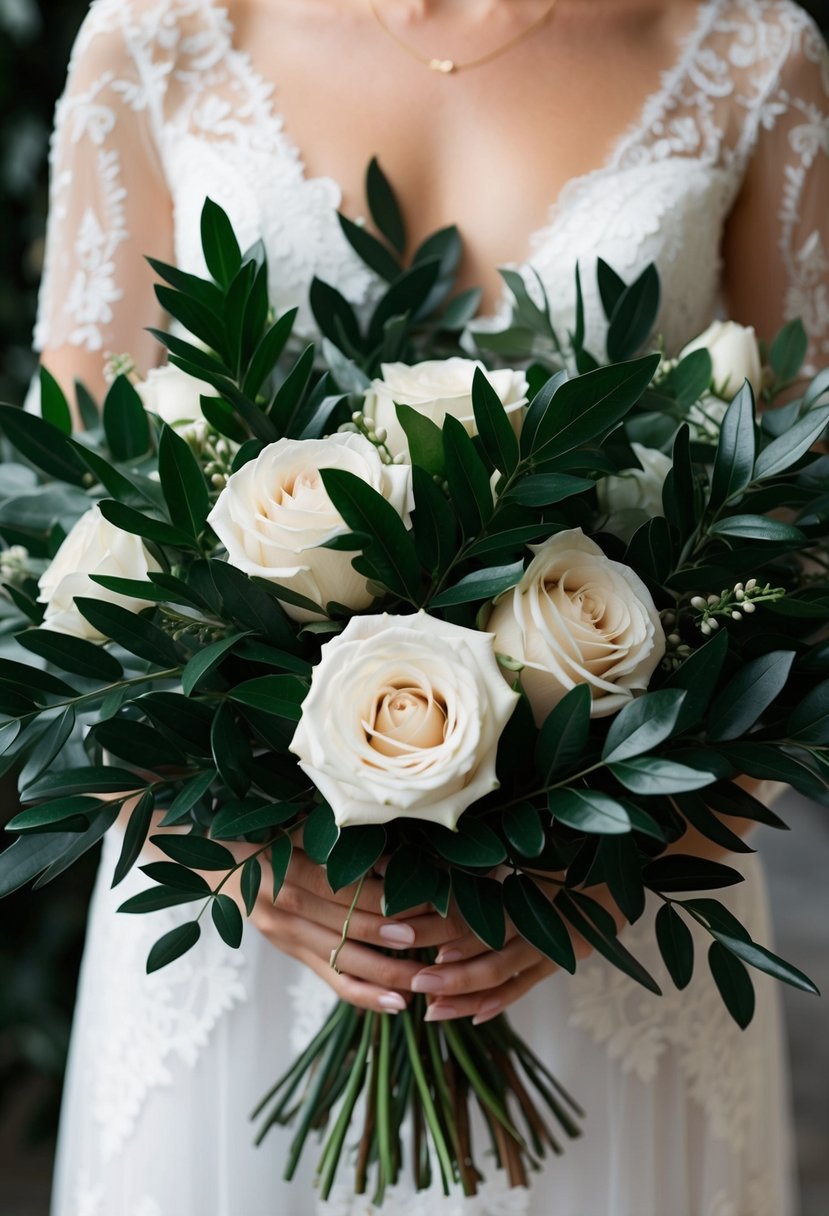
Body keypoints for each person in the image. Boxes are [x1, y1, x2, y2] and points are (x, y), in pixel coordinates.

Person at [31, 1, 829, 1213]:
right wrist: (238, 854)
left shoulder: (748, 49)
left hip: (610, 931)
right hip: (251, 930)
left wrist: (614, 867)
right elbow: (66, 530)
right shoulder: (153, 37)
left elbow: (808, 547)